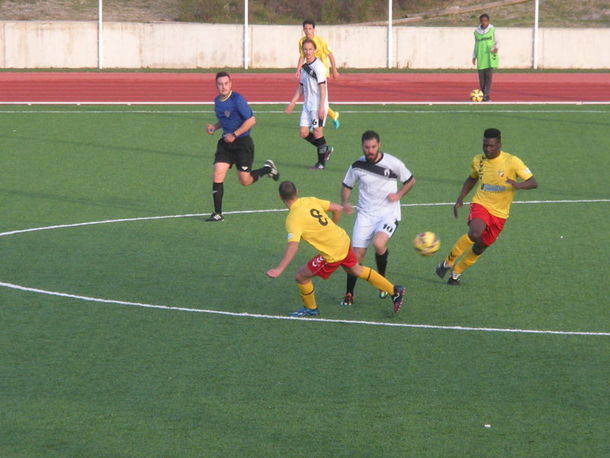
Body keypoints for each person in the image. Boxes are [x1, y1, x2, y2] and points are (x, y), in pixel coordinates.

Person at [266, 181, 406, 317]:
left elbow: (293, 246)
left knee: (301, 276)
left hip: (332, 254)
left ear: (280, 197)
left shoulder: (293, 219)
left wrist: (279, 269)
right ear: (297, 192)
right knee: (356, 269)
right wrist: (332, 227)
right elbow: (338, 208)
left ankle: (311, 309)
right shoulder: (309, 200)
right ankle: (394, 291)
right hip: (343, 240)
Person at [436, 128, 538, 284]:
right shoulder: (478, 160)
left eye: (491, 146)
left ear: (499, 145)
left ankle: (456, 274)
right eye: (485, 145)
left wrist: (518, 185)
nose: (487, 149)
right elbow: (472, 179)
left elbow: (533, 182)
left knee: (479, 247)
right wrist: (460, 197)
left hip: (500, 213)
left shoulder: (512, 161)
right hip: (481, 204)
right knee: (475, 232)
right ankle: (447, 263)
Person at [340, 130, 416, 306]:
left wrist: (398, 195)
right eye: (367, 147)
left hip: (388, 213)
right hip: (365, 215)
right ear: (362, 147)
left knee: (379, 243)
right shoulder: (357, 166)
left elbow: (411, 180)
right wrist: (345, 202)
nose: (370, 150)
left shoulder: (393, 163)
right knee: (356, 256)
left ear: (379, 145)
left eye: (373, 146)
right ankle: (349, 293)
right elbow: (346, 185)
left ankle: (382, 282)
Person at [205, 71, 279, 222]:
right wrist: (214, 127)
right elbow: (225, 119)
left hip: (242, 143)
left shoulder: (237, 99)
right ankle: (217, 213)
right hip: (225, 143)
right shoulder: (217, 101)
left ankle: (267, 169)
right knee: (218, 173)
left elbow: (251, 120)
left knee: (245, 181)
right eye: (220, 84)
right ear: (216, 85)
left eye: (226, 83)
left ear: (230, 83)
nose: (223, 87)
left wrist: (235, 134)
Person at [286, 39, 334, 170]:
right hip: (307, 105)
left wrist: (321, 108)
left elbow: (323, 88)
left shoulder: (319, 67)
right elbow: (301, 87)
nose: (308, 52)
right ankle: (325, 150)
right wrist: (293, 102)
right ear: (302, 51)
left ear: (315, 50)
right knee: (303, 133)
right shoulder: (303, 68)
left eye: (310, 49)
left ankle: (321, 163)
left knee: (318, 132)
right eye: (305, 49)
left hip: (317, 106)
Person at [296, 19, 341, 129]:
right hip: (309, 72)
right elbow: (302, 56)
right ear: (303, 30)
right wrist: (298, 69)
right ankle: (333, 115)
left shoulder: (320, 41)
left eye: (310, 28)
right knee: (312, 97)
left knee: (320, 98)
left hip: (321, 73)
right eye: (306, 29)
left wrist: (334, 70)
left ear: (314, 30)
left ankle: (316, 123)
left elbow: (330, 55)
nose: (308, 31)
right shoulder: (301, 41)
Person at [472, 14, 499, 102]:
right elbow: (476, 44)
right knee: (481, 79)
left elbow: (497, 41)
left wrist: (496, 48)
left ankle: (486, 95)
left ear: (488, 21)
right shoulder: (476, 32)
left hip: (490, 57)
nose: (484, 22)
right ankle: (483, 94)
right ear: (480, 21)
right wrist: (474, 56)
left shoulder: (493, 30)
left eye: (485, 21)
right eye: (482, 21)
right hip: (481, 57)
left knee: (488, 77)